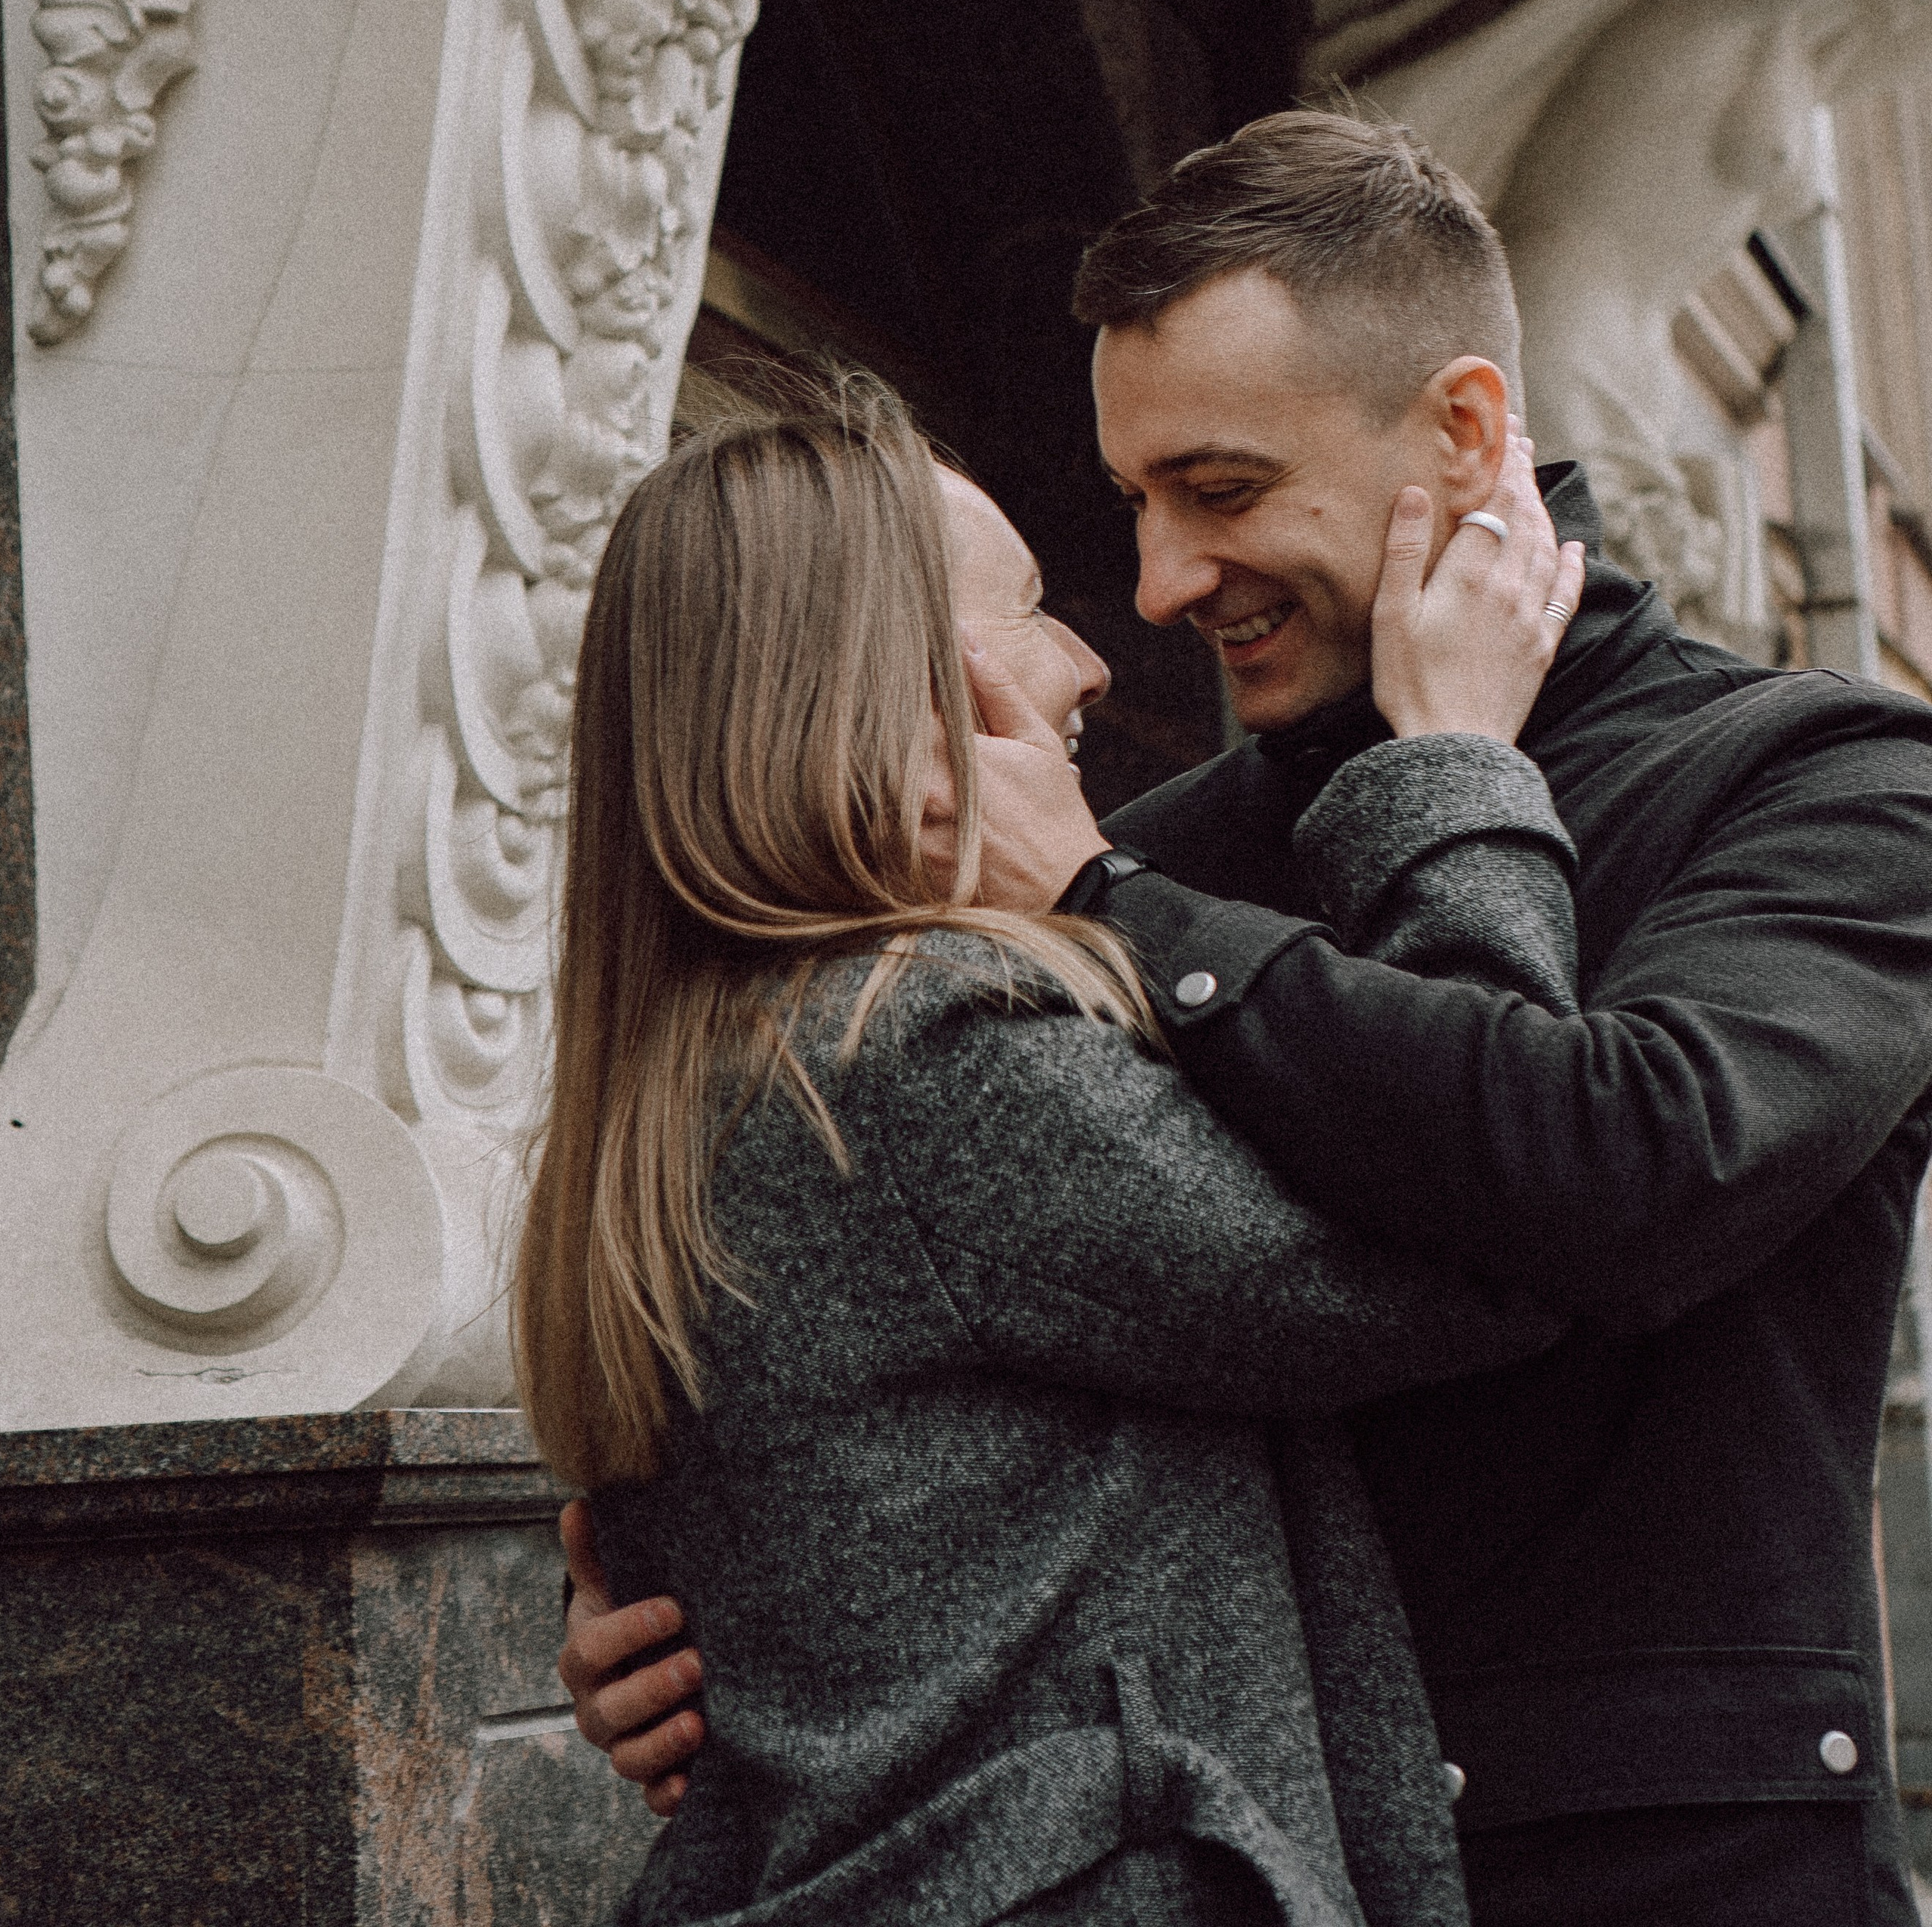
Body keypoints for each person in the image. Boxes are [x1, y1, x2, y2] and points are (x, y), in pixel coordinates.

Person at [568, 110, 1932, 1927]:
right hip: (1275, 1852)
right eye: (1130, 502)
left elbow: (1624, 1168)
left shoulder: (1816, 783)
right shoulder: (1129, 859)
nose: (1152, 586)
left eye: (1214, 490)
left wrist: (1195, 877)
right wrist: (725, 1596)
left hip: (1658, 1867)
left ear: (1458, 435)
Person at [517, 365, 1588, 1926]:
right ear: (883, 695)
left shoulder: (707, 1069)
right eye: (1027, 608)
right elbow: (1486, 1223)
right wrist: (1450, 768)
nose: (1089, 659)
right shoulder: (920, 1057)